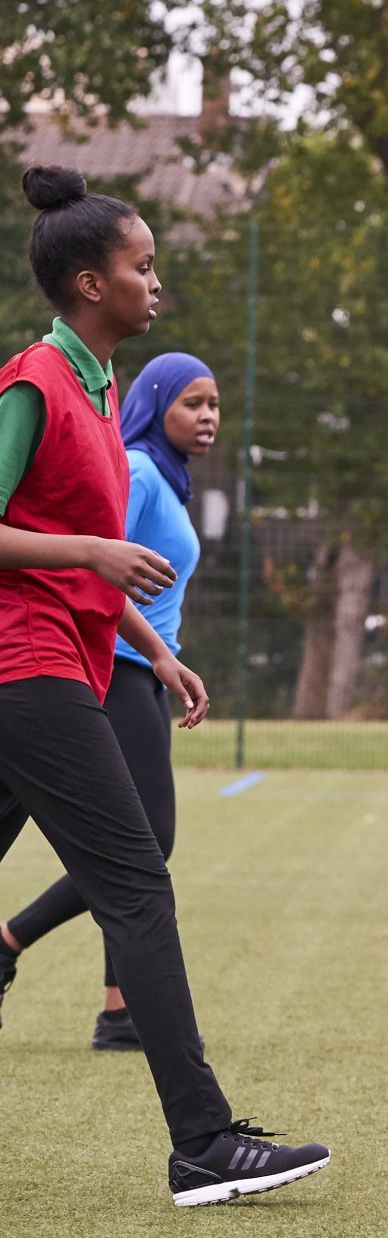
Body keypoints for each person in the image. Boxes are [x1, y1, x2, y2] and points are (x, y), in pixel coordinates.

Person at [0, 166, 330, 1206]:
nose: (158, 283)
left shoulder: (98, 390)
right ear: (90, 281)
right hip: (25, 663)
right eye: (143, 267)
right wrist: (96, 554)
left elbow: (85, 556)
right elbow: (60, 547)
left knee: (132, 877)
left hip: (68, 651)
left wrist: (156, 640)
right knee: (138, 880)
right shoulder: (34, 384)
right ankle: (203, 1141)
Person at [2, 351, 219, 1052]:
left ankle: (118, 1007)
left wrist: (166, 655)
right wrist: (147, 650)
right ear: (155, 404)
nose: (208, 415)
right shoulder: (139, 470)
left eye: (215, 403)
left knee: (133, 849)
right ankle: (15, 942)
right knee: (141, 848)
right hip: (96, 664)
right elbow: (88, 555)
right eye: (192, 402)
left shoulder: (167, 477)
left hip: (138, 666)